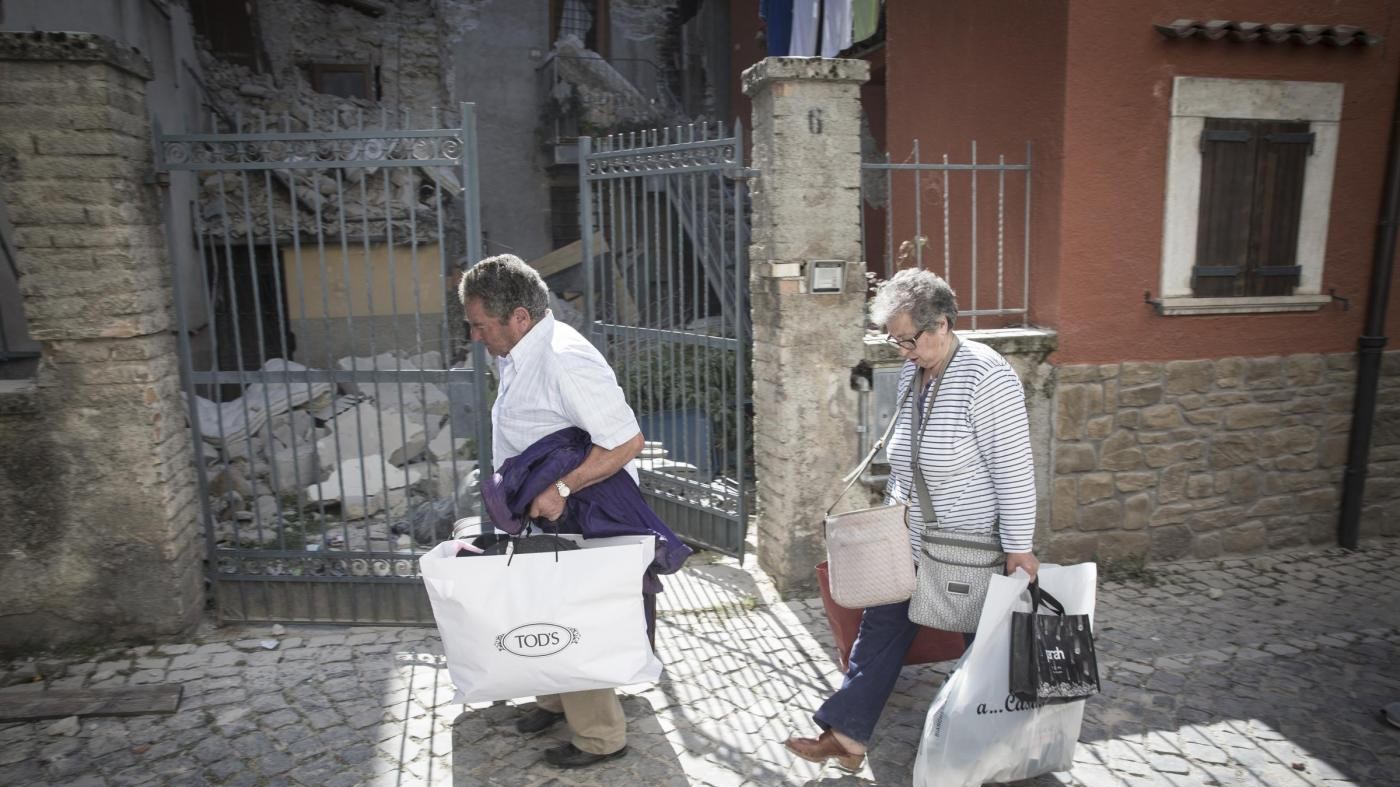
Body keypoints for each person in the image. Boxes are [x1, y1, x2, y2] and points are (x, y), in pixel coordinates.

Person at [784, 268, 1040, 771]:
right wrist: (890, 522)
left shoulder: (988, 378)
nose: (902, 351)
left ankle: (1015, 749)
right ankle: (847, 736)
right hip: (911, 539)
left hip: (968, 547)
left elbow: (1014, 469)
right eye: (895, 341)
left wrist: (1019, 547)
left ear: (941, 324)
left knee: (988, 653)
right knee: (878, 632)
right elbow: (909, 458)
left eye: (909, 340)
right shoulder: (913, 373)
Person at [458, 253, 643, 769]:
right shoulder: (518, 352)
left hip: (581, 508)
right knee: (539, 606)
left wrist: (561, 486)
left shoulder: (563, 357)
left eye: (480, 325)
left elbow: (627, 441)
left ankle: (602, 737)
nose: (475, 336)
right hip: (540, 508)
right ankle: (553, 700)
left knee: (572, 617)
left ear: (519, 316)